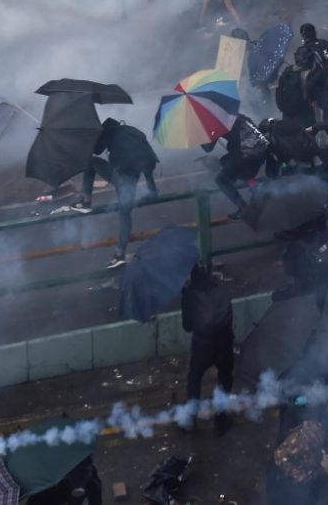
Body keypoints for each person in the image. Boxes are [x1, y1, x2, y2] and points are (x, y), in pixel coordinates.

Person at [70, 119, 159, 269]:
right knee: (125, 215)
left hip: (120, 178)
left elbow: (97, 151)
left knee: (90, 162)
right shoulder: (133, 133)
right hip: (131, 182)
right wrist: (149, 193)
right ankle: (119, 254)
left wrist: (86, 141)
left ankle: (85, 201)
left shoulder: (111, 134)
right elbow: (148, 161)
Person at [181, 263, 234, 436]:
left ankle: (190, 419)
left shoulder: (190, 294)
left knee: (194, 377)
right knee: (224, 378)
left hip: (203, 345)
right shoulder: (221, 287)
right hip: (224, 341)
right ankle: (221, 418)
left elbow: (187, 326)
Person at [204, 114, 271, 219]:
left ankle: (243, 208)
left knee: (221, 180)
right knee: (227, 162)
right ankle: (254, 186)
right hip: (261, 150)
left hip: (245, 153)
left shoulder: (214, 123)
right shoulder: (236, 115)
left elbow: (207, 148)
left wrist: (199, 135)